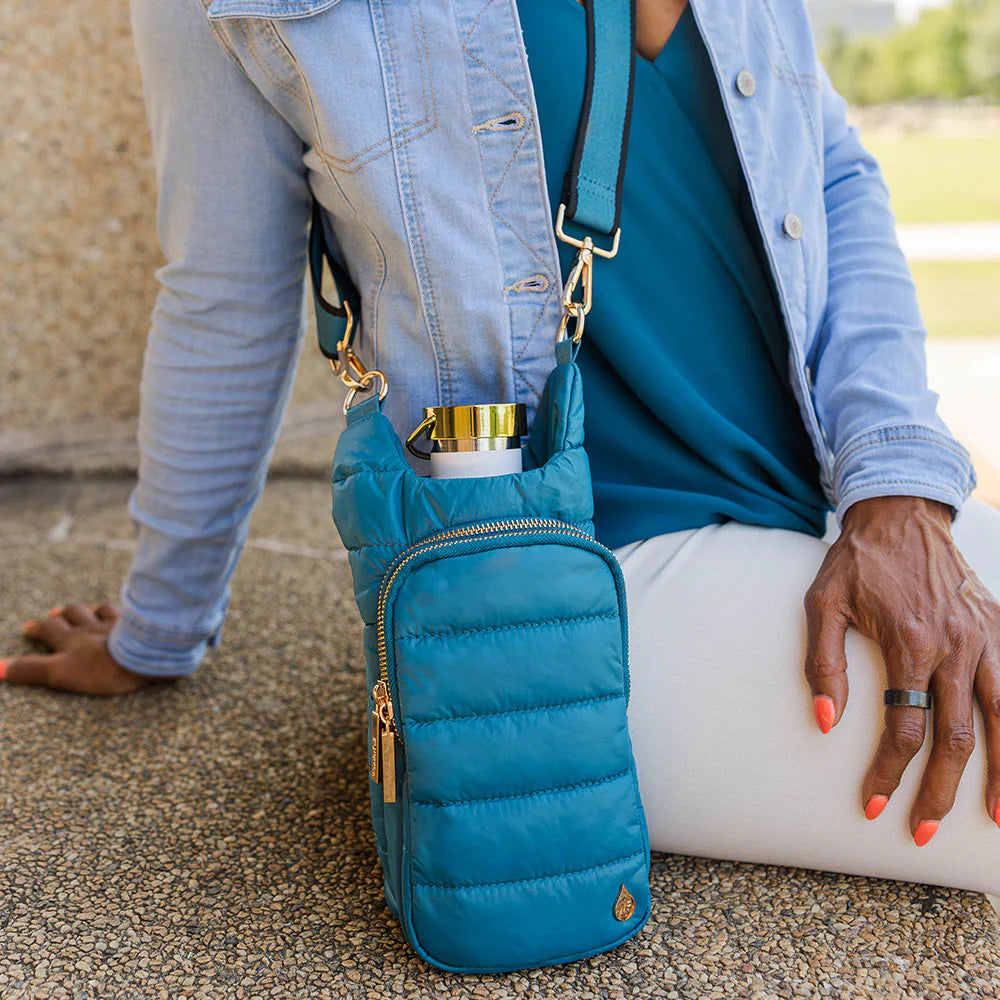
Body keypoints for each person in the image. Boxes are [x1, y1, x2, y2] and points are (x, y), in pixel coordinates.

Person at [5, 0, 1000, 894]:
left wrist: (896, 489)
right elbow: (225, 300)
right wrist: (160, 627)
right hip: (568, 587)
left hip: (829, 499)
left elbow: (830, 168)